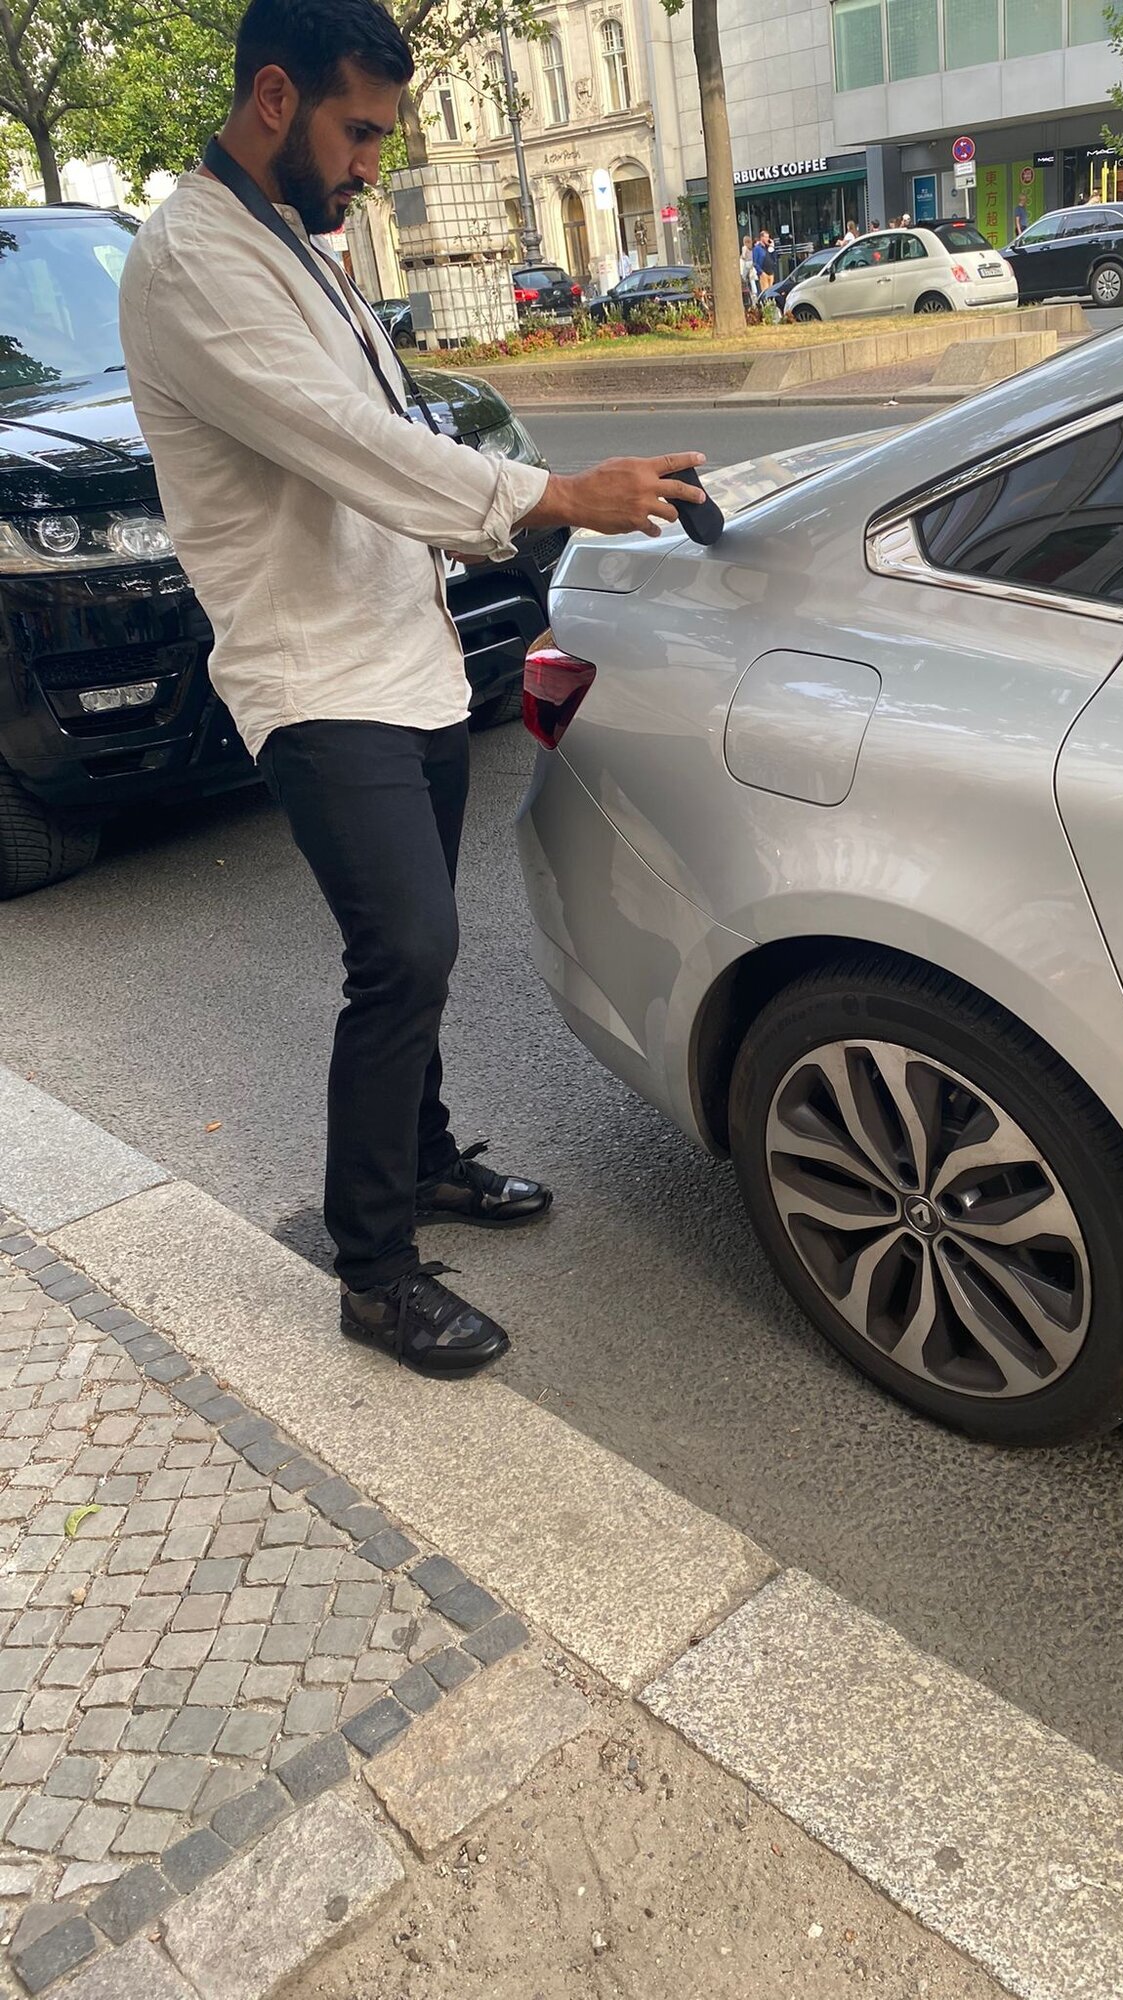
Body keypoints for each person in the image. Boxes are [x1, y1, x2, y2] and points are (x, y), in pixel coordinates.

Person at [118, 0, 706, 1379]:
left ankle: (428, 1159)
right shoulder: (194, 261)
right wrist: (555, 495)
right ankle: (373, 1271)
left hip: (407, 651)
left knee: (419, 942)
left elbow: (388, 433)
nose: (373, 163)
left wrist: (497, 527)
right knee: (408, 955)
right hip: (313, 673)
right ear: (276, 96)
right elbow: (342, 444)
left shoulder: (292, 241)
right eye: (360, 130)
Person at [752, 228, 776, 293]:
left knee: (771, 291)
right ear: (762, 238)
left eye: (768, 237)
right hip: (763, 272)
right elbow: (754, 262)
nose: (767, 239)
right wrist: (761, 272)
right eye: (766, 237)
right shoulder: (757, 248)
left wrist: (772, 247)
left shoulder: (768, 247)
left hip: (771, 272)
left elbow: (774, 258)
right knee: (765, 291)